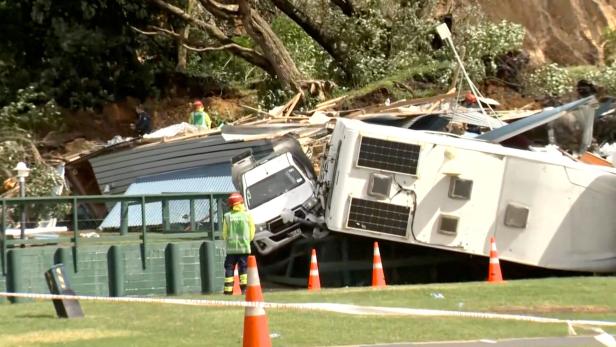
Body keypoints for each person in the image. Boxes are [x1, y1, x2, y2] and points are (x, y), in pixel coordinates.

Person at [222, 192, 255, 295]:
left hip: (231, 249)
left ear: (231, 204)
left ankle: (228, 291)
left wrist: (229, 242)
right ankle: (244, 290)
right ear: (241, 203)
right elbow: (252, 231)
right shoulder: (247, 215)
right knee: (243, 268)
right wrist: (247, 241)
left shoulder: (227, 216)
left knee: (229, 268)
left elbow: (224, 234)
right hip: (244, 248)